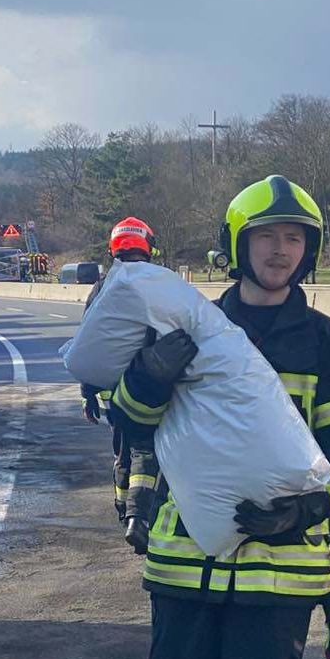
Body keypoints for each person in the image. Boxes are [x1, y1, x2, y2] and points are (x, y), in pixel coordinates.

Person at [114, 176, 330, 659]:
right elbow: (129, 425)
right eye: (265, 236)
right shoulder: (188, 330)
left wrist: (315, 503)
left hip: (280, 566)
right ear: (237, 243)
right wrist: (149, 380)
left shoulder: (327, 344)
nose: (280, 250)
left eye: (294, 238)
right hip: (183, 558)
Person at [80, 218, 196, 551]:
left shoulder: (102, 288)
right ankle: (138, 516)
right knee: (146, 450)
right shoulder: (159, 283)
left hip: (109, 391)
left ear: (113, 248)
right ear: (149, 247)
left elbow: (88, 345)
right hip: (147, 389)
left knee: (122, 451)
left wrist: (86, 394)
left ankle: (123, 510)